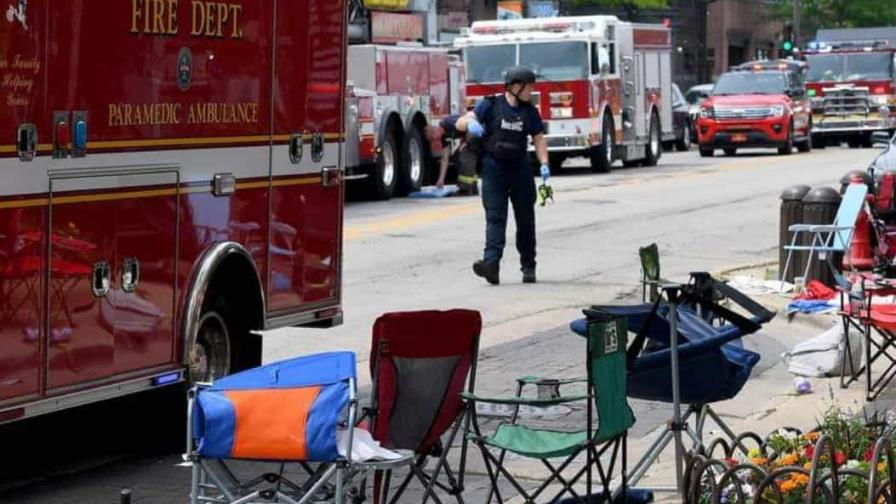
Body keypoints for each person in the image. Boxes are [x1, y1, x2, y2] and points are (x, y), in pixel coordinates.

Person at [458, 65, 550, 285]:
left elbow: (538, 137)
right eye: (529, 87)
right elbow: (461, 122)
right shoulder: (490, 105)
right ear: (516, 86)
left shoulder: (529, 111)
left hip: (520, 170)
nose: (531, 92)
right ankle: (491, 266)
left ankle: (528, 266)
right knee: (495, 217)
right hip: (493, 169)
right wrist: (471, 123)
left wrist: (544, 163)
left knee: (525, 220)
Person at [426, 115, 479, 195]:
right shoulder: (444, 137)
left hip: (478, 130)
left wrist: (466, 142)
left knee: (464, 155)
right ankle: (473, 187)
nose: (434, 141)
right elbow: (445, 159)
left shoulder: (449, 123)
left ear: (435, 130)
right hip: (473, 135)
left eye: (432, 139)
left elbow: (471, 123)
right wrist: (441, 179)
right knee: (456, 158)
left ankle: (465, 189)